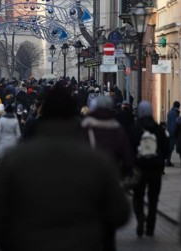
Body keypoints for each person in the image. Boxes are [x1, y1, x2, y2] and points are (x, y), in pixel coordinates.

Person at [0, 86, 129, 251]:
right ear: (73, 116)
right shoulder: (95, 161)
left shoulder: (16, 160)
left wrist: (12, 242)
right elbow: (119, 212)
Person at [80, 96, 134, 251]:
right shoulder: (116, 128)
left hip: (88, 183)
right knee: (108, 230)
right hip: (110, 182)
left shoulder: (85, 127)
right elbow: (128, 158)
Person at [130, 101, 168, 237]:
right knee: (153, 199)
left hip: (139, 168)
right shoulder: (158, 129)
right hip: (155, 169)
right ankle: (150, 227)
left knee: (138, 196)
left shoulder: (134, 129)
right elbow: (165, 147)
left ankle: (140, 216)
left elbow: (129, 149)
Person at [165, 101, 181, 167]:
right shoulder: (175, 113)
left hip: (170, 132)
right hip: (173, 133)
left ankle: (168, 161)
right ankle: (168, 161)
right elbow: (174, 124)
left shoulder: (170, 112)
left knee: (170, 148)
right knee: (175, 147)